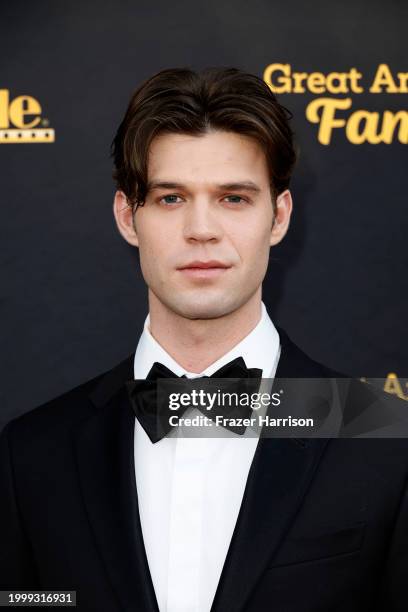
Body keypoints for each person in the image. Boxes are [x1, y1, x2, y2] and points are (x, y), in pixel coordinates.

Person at [0, 67, 407, 612]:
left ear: (279, 216)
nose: (202, 229)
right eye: (171, 198)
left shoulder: (381, 436)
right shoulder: (33, 453)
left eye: (233, 198)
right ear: (128, 216)